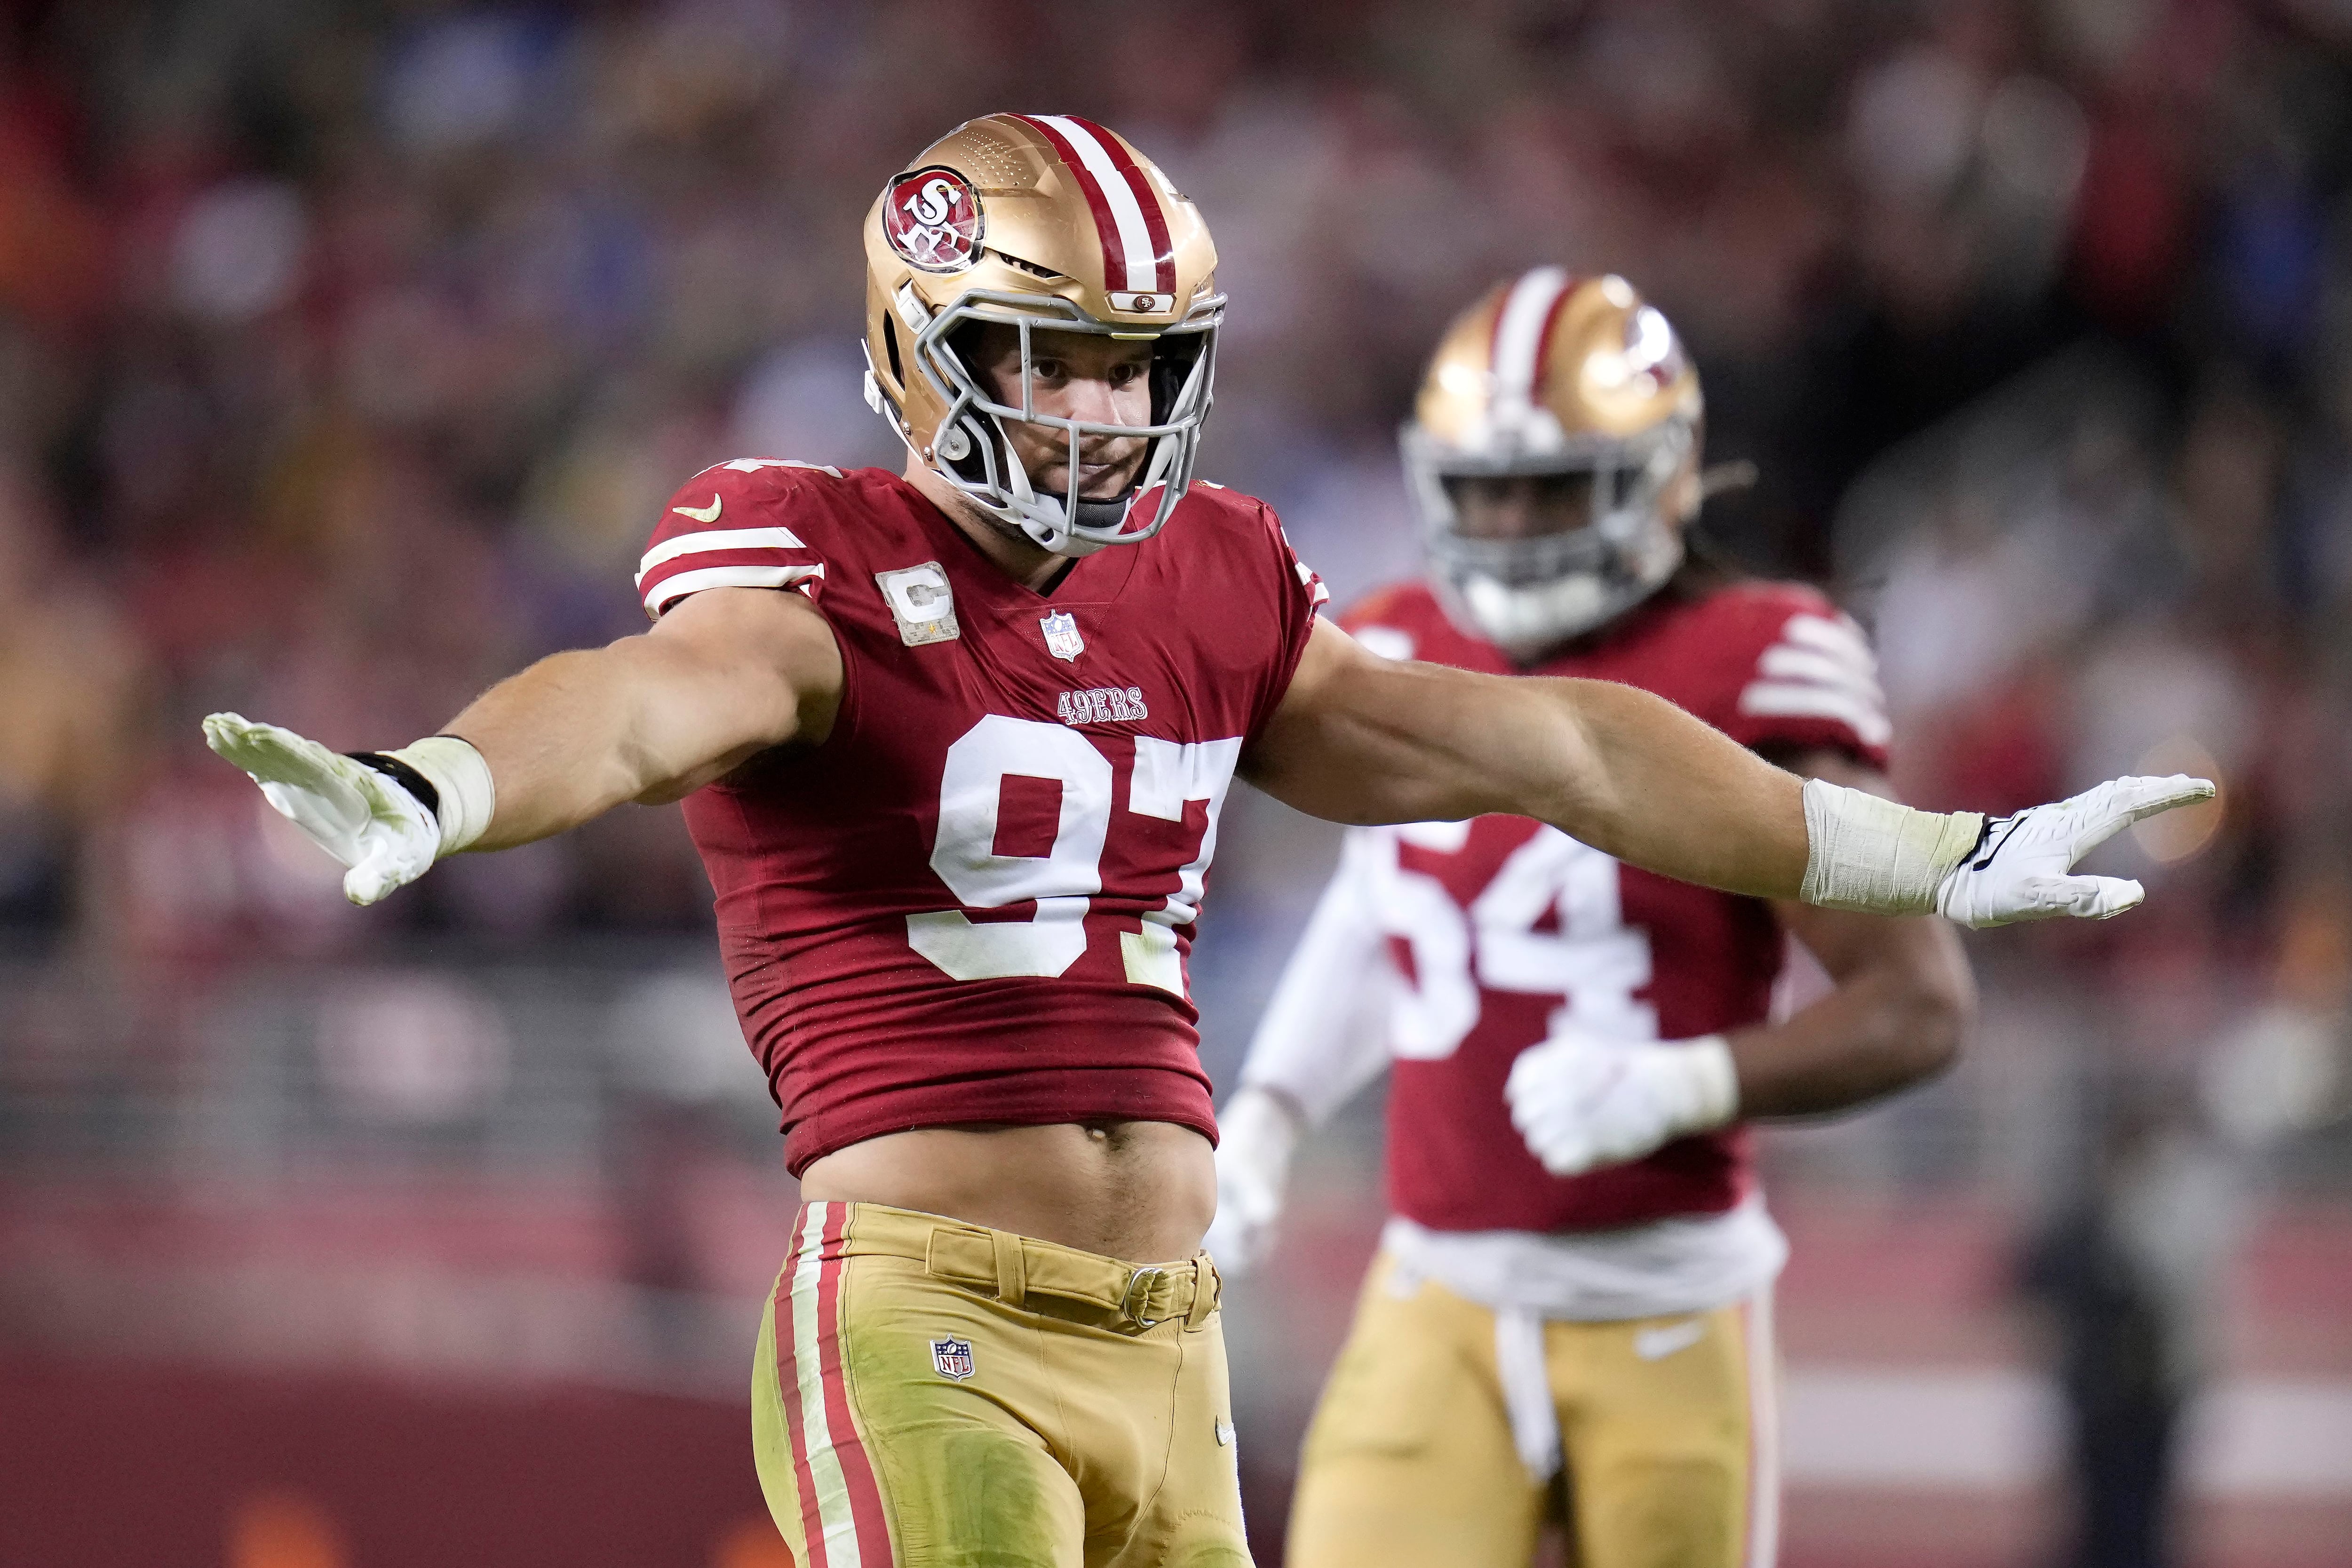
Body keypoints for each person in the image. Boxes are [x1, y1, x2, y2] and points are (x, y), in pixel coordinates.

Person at [201, 119, 2209, 1568]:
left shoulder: (1217, 578)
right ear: (924, 344)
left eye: (1130, 362)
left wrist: (1919, 854)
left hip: (1172, 1343)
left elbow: (1559, 748)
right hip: (931, 1316)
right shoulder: (809, 552)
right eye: (1044, 354)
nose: (1092, 407)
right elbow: (644, 703)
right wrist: (445, 784)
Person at [1204, 269, 1990, 1568]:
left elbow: (1918, 1004)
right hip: (1435, 1291)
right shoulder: (1395, 640)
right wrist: (1272, 1118)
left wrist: (1685, 1082)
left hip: (1667, 1301)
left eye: (1554, 487)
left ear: (1661, 476)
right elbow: (1375, 906)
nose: (1512, 523)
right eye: (1486, 488)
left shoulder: (1753, 657)